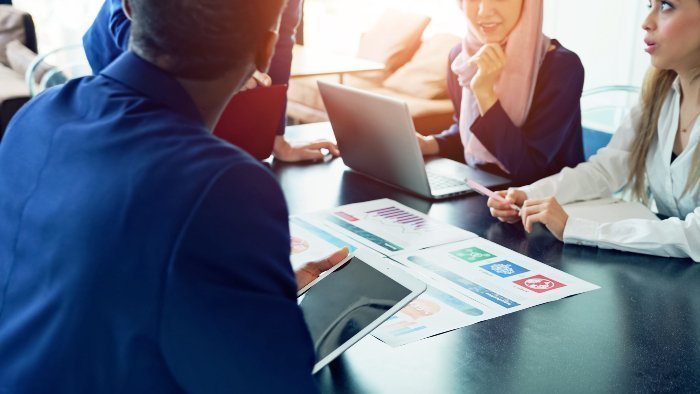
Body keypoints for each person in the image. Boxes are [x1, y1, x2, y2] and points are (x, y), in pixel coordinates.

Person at [0, 0, 349, 391]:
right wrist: (272, 320)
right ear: (266, 52)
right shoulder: (224, 184)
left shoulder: (39, 113)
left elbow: (92, 285)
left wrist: (246, 293)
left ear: (130, 9)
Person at [487, 0, 700, 262]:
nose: (647, 22)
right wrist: (530, 195)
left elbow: (696, 235)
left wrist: (576, 228)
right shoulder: (659, 93)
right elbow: (606, 170)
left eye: (666, 6)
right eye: (649, 5)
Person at [83, 0, 339, 162]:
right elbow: (132, 19)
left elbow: (281, 38)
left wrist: (276, 135)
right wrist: (224, 62)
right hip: (126, 51)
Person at [417, 0, 585, 185]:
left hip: (542, 202)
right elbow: (468, 132)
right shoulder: (461, 58)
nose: (483, 11)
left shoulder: (561, 67)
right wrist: (430, 144)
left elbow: (530, 169)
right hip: (480, 189)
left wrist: (485, 93)